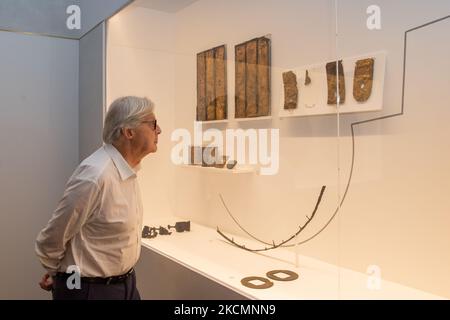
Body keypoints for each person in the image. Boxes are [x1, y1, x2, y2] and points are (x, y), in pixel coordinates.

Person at [35, 96, 161, 300]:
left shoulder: (127, 171)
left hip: (125, 285)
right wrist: (58, 274)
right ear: (129, 132)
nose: (159, 130)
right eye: (153, 124)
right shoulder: (96, 175)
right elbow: (53, 237)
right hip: (91, 291)